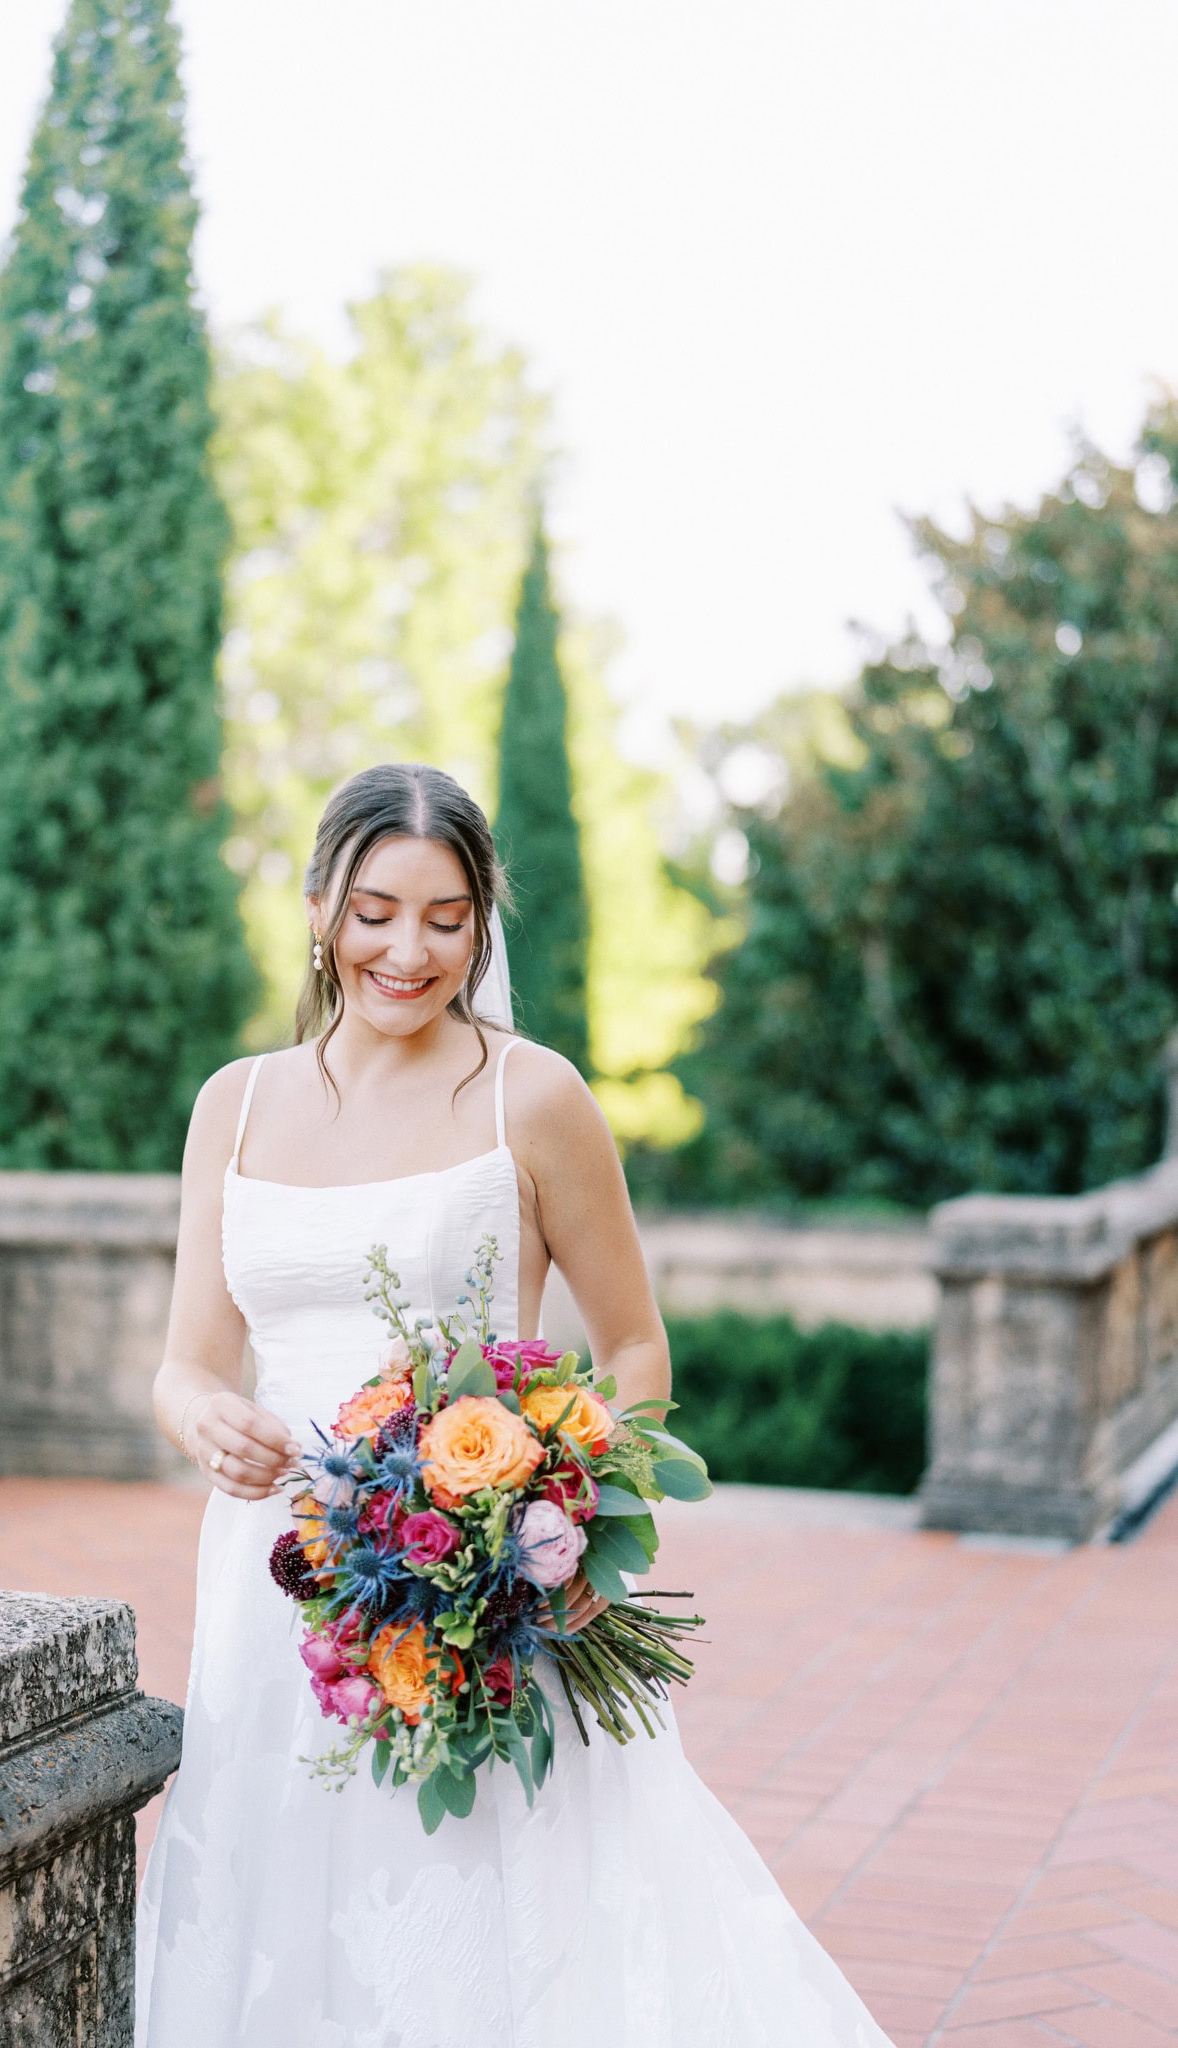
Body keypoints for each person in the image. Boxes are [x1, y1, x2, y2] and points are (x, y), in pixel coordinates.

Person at [136, 762, 893, 2046]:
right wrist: (200, 1414)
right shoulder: (235, 1102)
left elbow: (635, 1343)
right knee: (282, 1900)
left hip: (490, 1579)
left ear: (483, 919)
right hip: (274, 1586)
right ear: (319, 905)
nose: (405, 948)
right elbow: (185, 1361)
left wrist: (579, 1514)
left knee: (498, 1909)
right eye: (374, 910)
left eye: (444, 915)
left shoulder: (531, 1095)